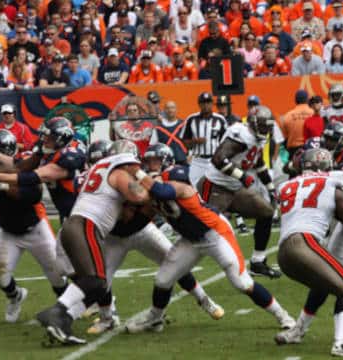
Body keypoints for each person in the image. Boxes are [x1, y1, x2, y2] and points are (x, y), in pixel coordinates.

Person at [124, 144, 296, 333]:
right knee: (163, 280)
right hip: (190, 239)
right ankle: (155, 319)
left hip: (214, 232)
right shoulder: (150, 188)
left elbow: (165, 192)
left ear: (166, 161)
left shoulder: (176, 174)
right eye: (147, 162)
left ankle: (284, 317)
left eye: (154, 161)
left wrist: (139, 175)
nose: (150, 165)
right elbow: (143, 211)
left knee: (243, 283)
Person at [81, 142, 222, 334]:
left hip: (143, 230)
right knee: (102, 277)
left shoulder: (145, 177)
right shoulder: (110, 179)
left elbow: (148, 196)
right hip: (115, 237)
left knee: (174, 263)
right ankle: (107, 318)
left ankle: (205, 301)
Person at [36, 143, 150, 345]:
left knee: (97, 286)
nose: (136, 170)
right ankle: (57, 311)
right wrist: (150, 183)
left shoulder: (100, 169)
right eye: (135, 166)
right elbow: (138, 196)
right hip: (85, 226)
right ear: (125, 162)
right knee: (96, 281)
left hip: (74, 226)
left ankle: (63, 323)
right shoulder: (119, 172)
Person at [274, 148, 343, 356]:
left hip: (283, 253)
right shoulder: (333, 180)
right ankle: (342, 342)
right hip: (305, 243)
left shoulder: (286, 185)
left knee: (325, 286)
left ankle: (297, 331)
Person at [0, 130, 67, 323]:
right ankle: (15, 296)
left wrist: (5, 187)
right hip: (8, 231)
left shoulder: (25, 162)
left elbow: (33, 195)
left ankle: (69, 306)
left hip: (35, 228)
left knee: (57, 274)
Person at [199, 105, 281, 278]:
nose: (267, 129)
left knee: (266, 213)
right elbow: (218, 159)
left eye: (269, 126)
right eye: (264, 125)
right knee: (201, 231)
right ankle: (179, 266)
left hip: (234, 189)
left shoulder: (259, 138)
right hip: (215, 187)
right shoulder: (240, 134)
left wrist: (271, 188)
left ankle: (258, 262)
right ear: (254, 124)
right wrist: (243, 177)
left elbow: (257, 162)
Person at [182, 92, 227, 186]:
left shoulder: (220, 119)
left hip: (214, 161)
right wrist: (195, 141)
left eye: (208, 102)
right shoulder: (191, 119)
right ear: (199, 104)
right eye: (203, 103)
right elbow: (184, 140)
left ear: (212, 104)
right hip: (197, 160)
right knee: (194, 187)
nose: (206, 105)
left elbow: (225, 141)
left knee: (215, 187)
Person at [151, 101, 189, 166]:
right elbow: (153, 147)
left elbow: (192, 143)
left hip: (183, 162)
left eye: (172, 108)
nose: (170, 110)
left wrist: (191, 156)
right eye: (167, 108)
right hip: (166, 164)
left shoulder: (184, 125)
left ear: (176, 110)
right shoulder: (158, 129)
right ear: (164, 111)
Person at [281, 89, 314, 157]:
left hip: (294, 152)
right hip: (312, 150)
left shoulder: (288, 116)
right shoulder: (314, 114)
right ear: (307, 100)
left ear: (296, 101)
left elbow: (284, 139)